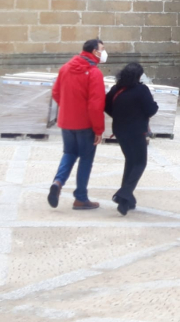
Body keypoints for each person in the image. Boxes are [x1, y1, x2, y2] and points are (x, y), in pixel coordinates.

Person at [48, 39, 107, 210]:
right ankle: (80, 197)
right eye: (102, 49)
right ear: (95, 52)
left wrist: (68, 107)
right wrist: (98, 129)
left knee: (69, 153)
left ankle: (58, 182)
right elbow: (96, 104)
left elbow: (56, 93)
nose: (104, 52)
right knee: (86, 159)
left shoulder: (65, 68)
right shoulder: (94, 73)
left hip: (66, 121)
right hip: (85, 124)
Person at [105, 62, 158, 216]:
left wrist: (118, 115)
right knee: (140, 163)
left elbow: (106, 105)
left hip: (120, 131)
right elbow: (151, 109)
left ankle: (127, 201)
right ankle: (123, 193)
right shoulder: (141, 90)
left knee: (130, 161)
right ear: (138, 76)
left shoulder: (116, 89)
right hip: (136, 132)